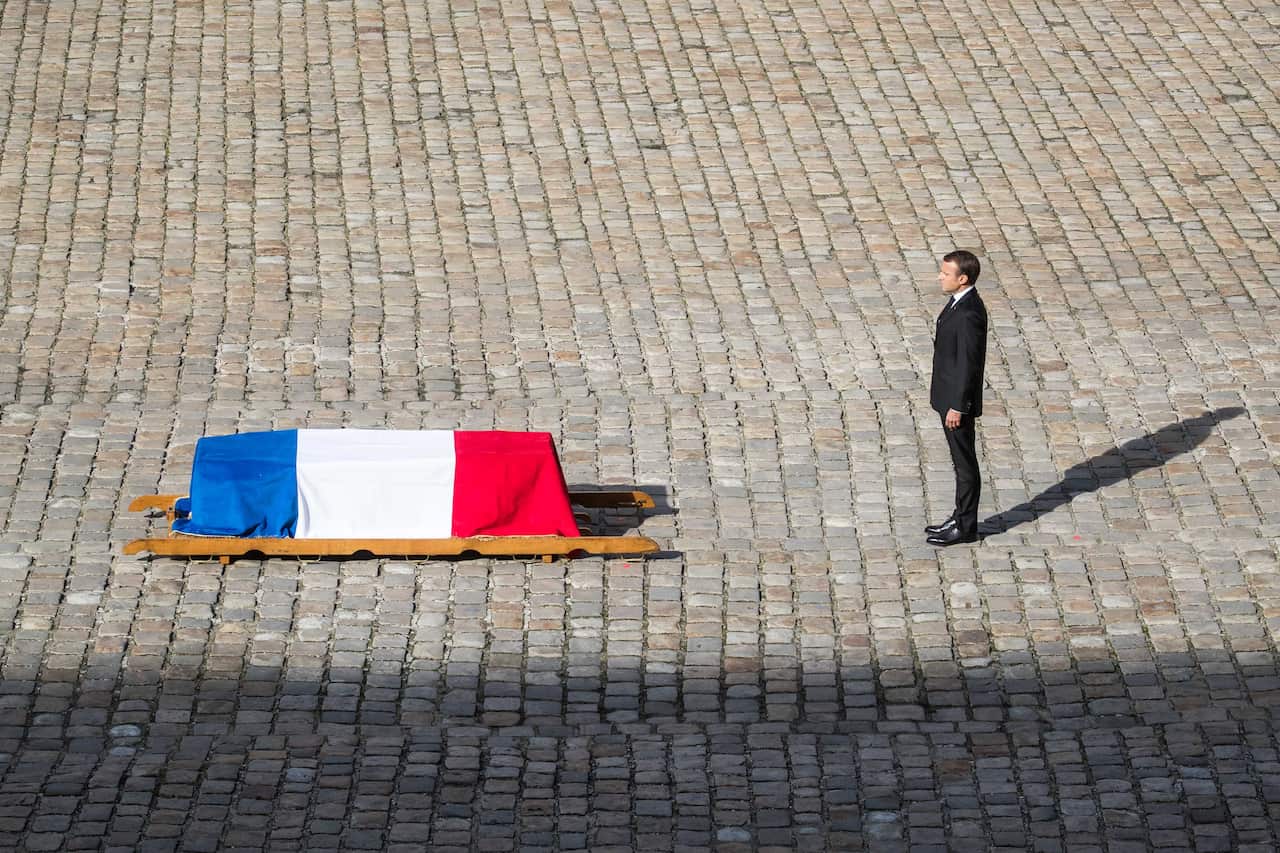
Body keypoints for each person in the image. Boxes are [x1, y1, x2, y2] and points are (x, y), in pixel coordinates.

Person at [926, 250, 988, 546]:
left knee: (964, 464)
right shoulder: (957, 304)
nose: (940, 276)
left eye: (945, 273)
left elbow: (968, 365)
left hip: (956, 404)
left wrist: (957, 406)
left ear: (962, 279)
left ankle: (966, 526)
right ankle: (960, 515)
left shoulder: (968, 313)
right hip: (948, 397)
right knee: (958, 461)